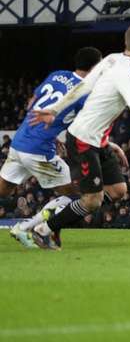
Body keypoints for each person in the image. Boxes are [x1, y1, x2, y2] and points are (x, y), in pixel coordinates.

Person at [28, 24, 130, 250]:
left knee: (118, 190)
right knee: (93, 201)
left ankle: (62, 215)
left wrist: (55, 110)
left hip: (97, 141)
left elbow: (82, 87)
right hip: (83, 139)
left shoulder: (112, 59)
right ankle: (45, 229)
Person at [1, 47, 103, 247]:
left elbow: (32, 103)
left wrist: (49, 131)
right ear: (95, 68)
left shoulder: (58, 75)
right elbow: (83, 127)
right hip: (38, 150)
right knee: (79, 194)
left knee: (3, 190)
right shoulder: (86, 93)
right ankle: (28, 228)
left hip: (20, 141)